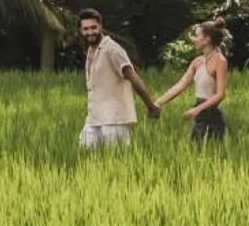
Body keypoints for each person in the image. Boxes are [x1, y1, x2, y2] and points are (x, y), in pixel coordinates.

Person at [77, 9, 159, 149]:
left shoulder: (112, 49)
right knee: (84, 155)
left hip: (114, 118)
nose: (90, 32)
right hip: (94, 117)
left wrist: (150, 105)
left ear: (101, 27)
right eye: (86, 29)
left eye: (93, 27)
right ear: (80, 30)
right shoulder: (92, 50)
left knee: (115, 160)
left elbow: (133, 76)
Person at [156, 19, 230, 143]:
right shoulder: (197, 62)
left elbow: (220, 94)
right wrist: (158, 103)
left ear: (207, 39)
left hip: (212, 114)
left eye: (197, 36)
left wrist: (197, 110)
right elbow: (180, 85)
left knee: (212, 153)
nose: (194, 39)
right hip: (200, 112)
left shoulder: (220, 61)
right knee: (196, 152)